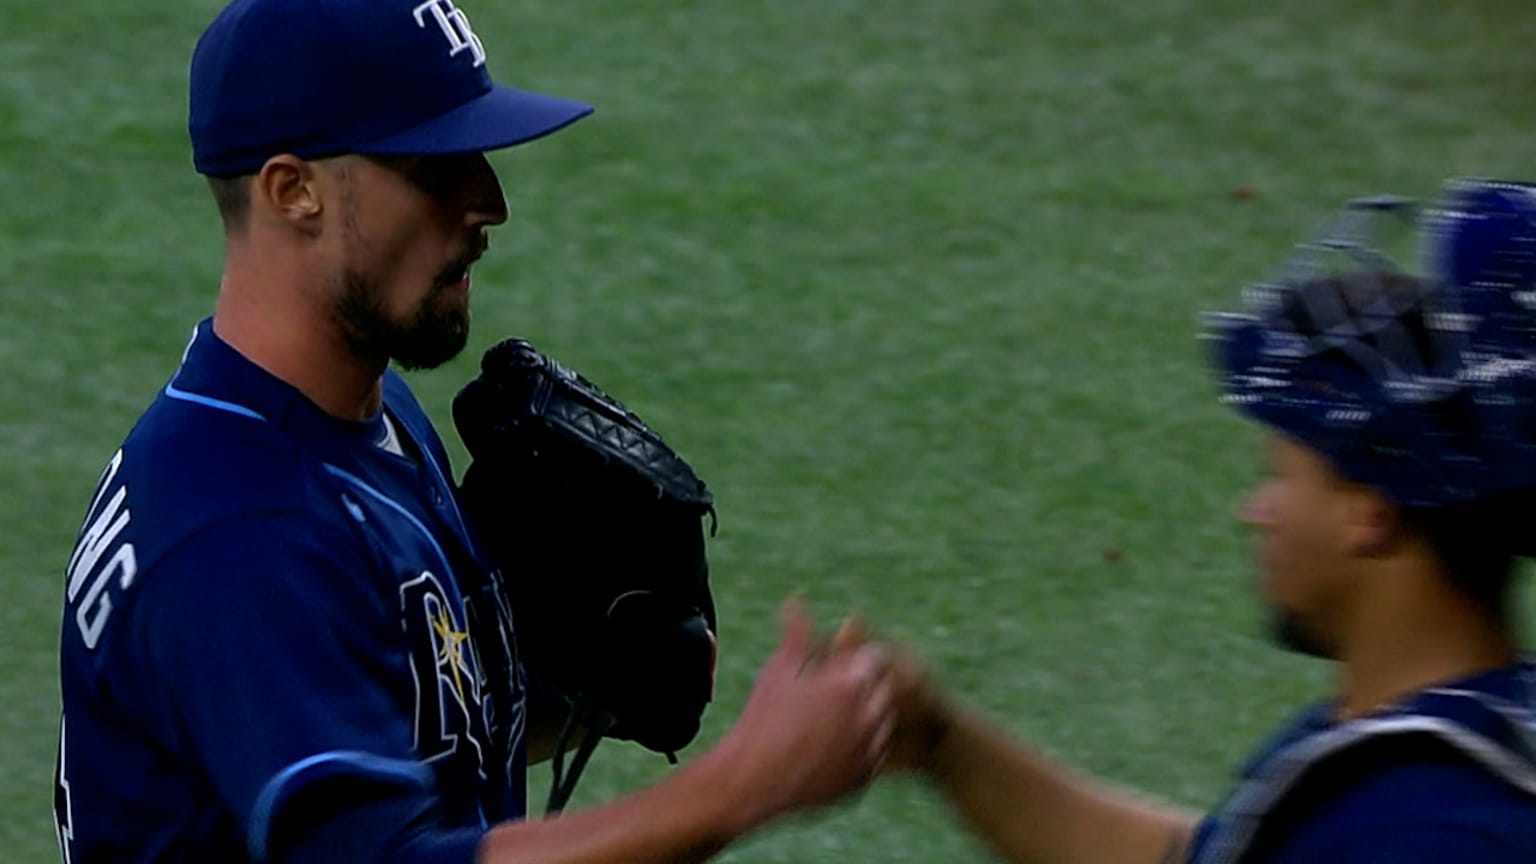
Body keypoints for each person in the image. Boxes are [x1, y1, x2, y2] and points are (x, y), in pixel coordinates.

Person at [53, 0, 892, 861]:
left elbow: (391, 735)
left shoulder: (352, 416)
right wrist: (750, 781)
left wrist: (577, 694)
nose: (488, 202)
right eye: (433, 166)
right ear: (291, 189)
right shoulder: (240, 538)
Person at [853, 181, 1536, 863]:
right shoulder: (1424, 749)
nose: (1256, 511)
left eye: (1278, 475)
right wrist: (942, 742)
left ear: (1371, 512)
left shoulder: (1435, 834)